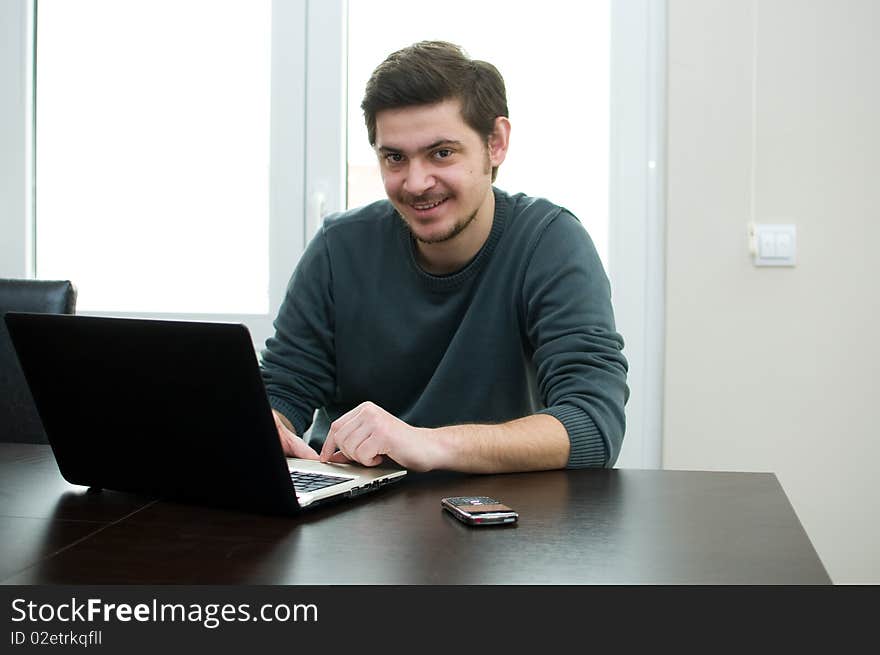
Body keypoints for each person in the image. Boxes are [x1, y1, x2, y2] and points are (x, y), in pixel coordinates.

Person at [261, 40, 628, 474]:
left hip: (499, 519)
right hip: (354, 511)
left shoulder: (549, 241)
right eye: (395, 158)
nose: (416, 183)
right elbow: (285, 389)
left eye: (441, 153)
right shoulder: (338, 247)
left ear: (496, 144)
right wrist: (268, 424)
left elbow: (593, 423)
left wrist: (427, 445)